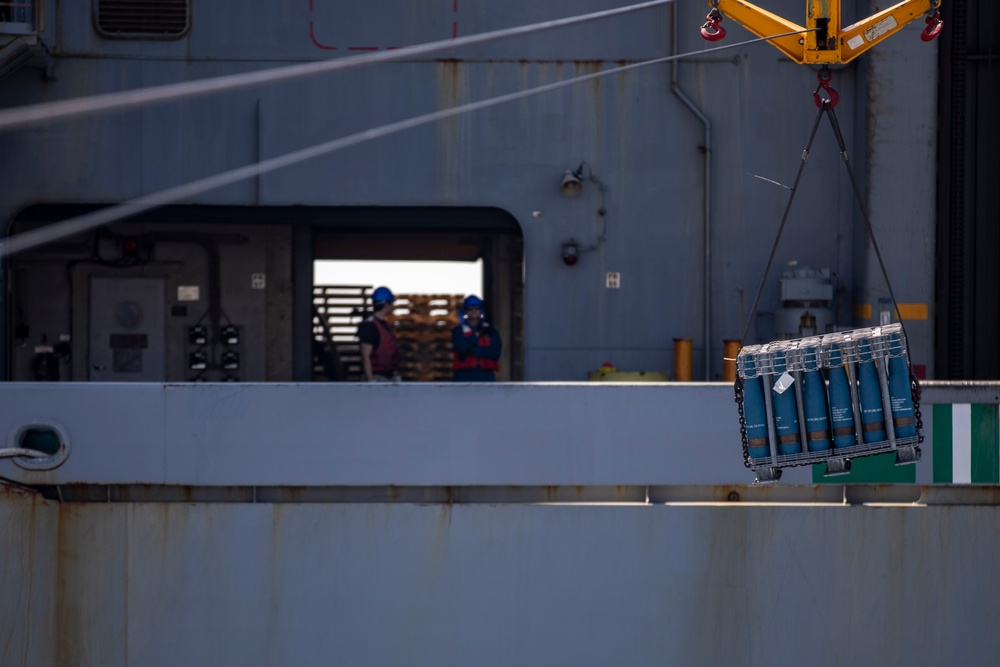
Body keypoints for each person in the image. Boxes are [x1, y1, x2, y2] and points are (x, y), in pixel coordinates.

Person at [452, 295, 502, 382]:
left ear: (481, 310)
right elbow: (461, 348)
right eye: (470, 309)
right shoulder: (458, 331)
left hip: (486, 375)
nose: (473, 311)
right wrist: (475, 336)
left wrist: (472, 351)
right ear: (465, 311)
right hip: (463, 375)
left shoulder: (491, 331)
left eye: (477, 308)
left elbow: (495, 353)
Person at [356, 286, 400, 382]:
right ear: (387, 304)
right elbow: (365, 356)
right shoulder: (369, 326)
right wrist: (370, 381)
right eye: (391, 303)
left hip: (388, 376)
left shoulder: (386, 325)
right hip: (377, 378)